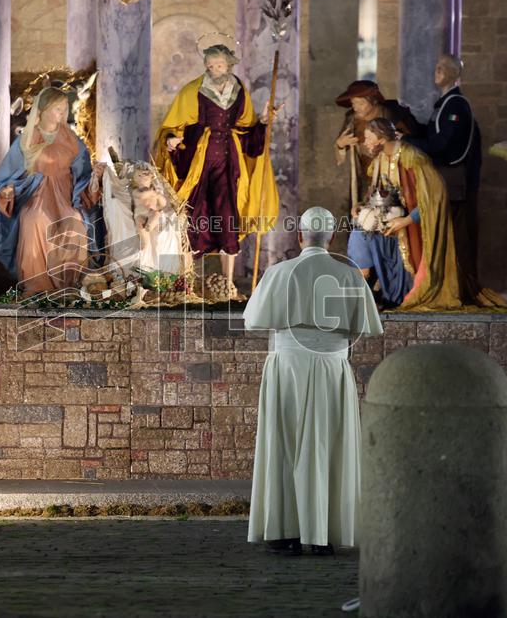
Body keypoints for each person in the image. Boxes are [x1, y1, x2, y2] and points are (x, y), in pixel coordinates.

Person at [245, 206, 382, 555]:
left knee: (283, 444)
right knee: (327, 445)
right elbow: (361, 326)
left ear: (299, 236)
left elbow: (254, 320)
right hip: (330, 369)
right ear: (332, 237)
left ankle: (282, 531)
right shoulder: (350, 276)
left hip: (287, 367)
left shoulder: (278, 274)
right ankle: (322, 534)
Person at [155, 44, 279, 300]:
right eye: (210, 66)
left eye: (219, 65)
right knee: (193, 217)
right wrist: (172, 140)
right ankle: (186, 282)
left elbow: (247, 130)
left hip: (228, 164)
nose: (214, 70)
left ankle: (228, 283)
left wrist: (264, 122)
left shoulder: (239, 91)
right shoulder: (193, 91)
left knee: (227, 218)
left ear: (229, 65)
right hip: (198, 164)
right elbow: (174, 125)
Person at [402, 55, 502, 306]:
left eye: (442, 68)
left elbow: (444, 144)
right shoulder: (444, 104)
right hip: (446, 180)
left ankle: (458, 287)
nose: (436, 71)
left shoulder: (456, 105)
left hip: (454, 183)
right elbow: (432, 133)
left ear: (455, 74)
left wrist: (410, 143)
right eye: (436, 67)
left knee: (457, 235)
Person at [0, 87, 104, 296]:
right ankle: (38, 284)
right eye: (58, 108)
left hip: (66, 196)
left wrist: (94, 180)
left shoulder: (72, 140)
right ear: (44, 109)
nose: (63, 112)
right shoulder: (26, 140)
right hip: (35, 195)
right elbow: (5, 177)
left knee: (72, 220)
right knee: (34, 220)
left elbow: (83, 174)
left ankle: (70, 285)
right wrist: (6, 191)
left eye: (64, 108)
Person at [348, 118, 462, 310]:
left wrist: (406, 221)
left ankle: (384, 292)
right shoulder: (380, 161)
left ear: (382, 139)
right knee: (359, 233)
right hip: (390, 227)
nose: (365, 143)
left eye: (368, 138)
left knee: (361, 236)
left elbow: (434, 197)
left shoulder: (413, 159)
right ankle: (365, 293)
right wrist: (360, 207)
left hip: (412, 232)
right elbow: (376, 195)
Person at [333, 80, 423, 206]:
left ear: (373, 101)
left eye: (361, 103)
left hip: (391, 173)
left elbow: (411, 142)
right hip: (364, 175)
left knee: (390, 211)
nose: (356, 107)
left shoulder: (391, 115)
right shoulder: (352, 118)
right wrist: (340, 145)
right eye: (353, 103)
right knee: (363, 213)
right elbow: (341, 144)